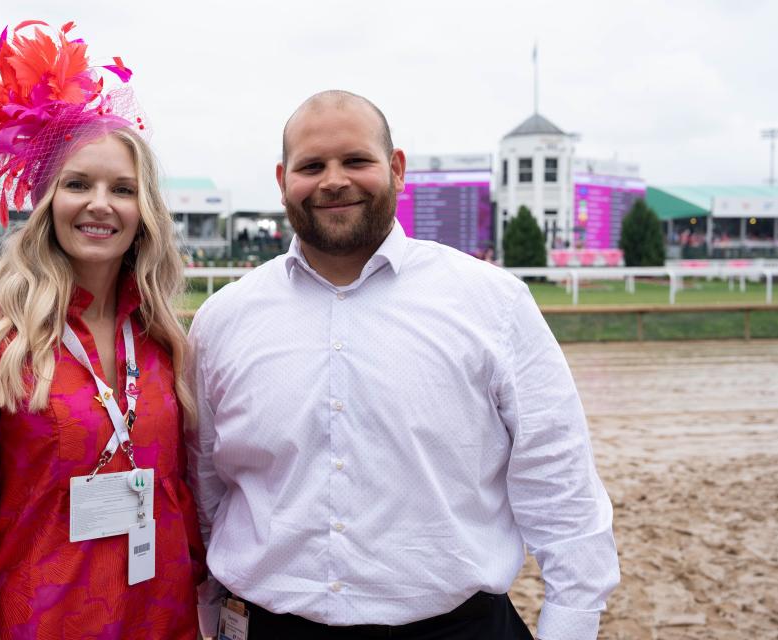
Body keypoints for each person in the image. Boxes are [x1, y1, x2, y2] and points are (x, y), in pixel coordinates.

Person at [187, 90, 619, 640]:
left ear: (396, 169)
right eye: (312, 166)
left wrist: (570, 626)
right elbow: (205, 491)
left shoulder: (494, 303)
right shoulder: (223, 319)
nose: (334, 180)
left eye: (356, 161)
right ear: (282, 180)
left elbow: (560, 487)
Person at [0, 21, 203, 639]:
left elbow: (184, 498)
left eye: (123, 188)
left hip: (161, 620)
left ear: (145, 212)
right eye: (77, 183)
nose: (100, 204)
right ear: (44, 201)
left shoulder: (162, 340)